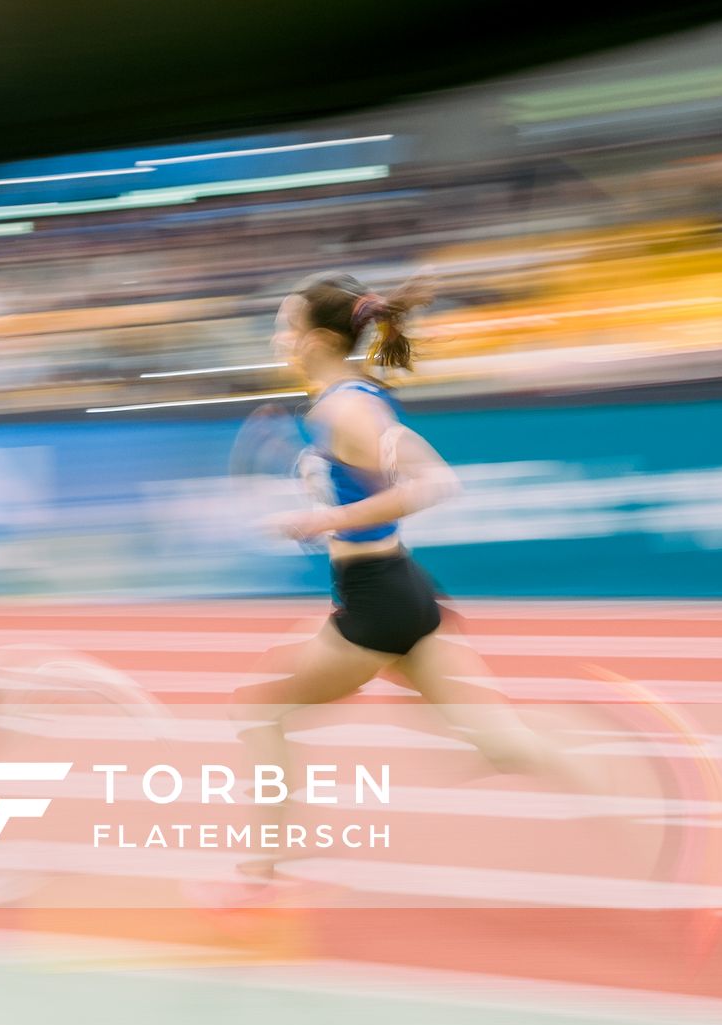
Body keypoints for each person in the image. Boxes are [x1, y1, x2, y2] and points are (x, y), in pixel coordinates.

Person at [229, 272, 575, 886]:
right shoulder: (347, 398)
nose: (279, 336)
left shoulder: (346, 406)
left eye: (286, 324)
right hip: (402, 589)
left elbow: (434, 481)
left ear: (313, 339)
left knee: (262, 711)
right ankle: (612, 770)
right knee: (498, 742)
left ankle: (264, 864)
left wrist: (324, 518)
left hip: (377, 604)